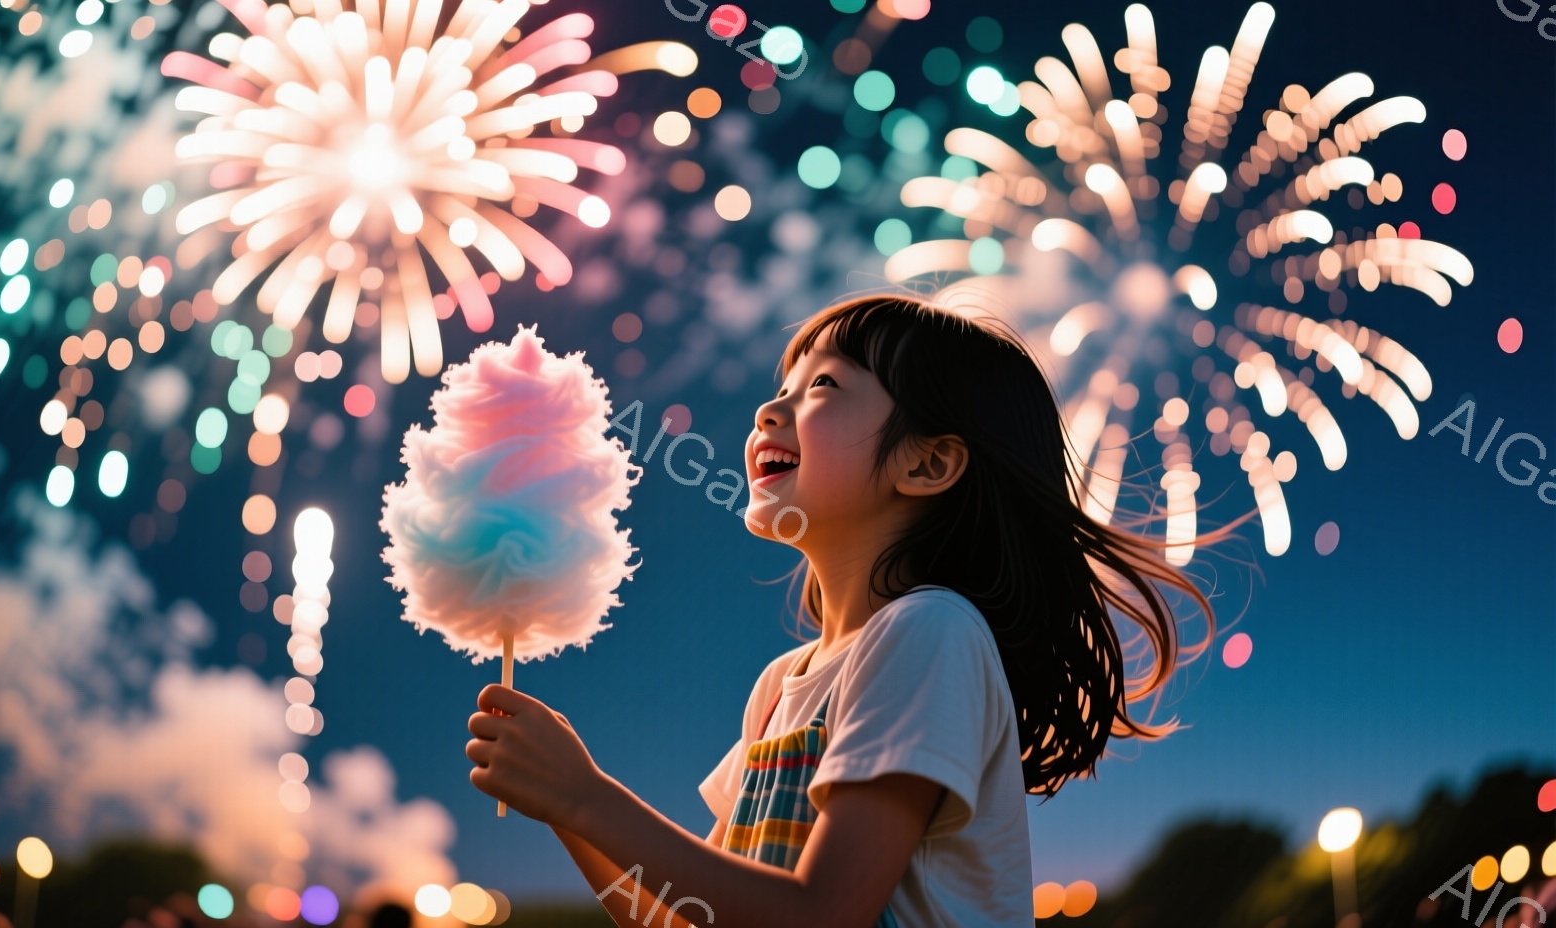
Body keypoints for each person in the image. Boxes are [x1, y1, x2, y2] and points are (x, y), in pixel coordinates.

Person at [466, 295, 1227, 927]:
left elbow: (822, 914)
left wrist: (585, 795)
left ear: (926, 463)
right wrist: (562, 804)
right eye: (784, 387)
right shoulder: (780, 686)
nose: (771, 409)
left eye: (822, 387)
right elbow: (686, 915)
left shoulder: (929, 631)